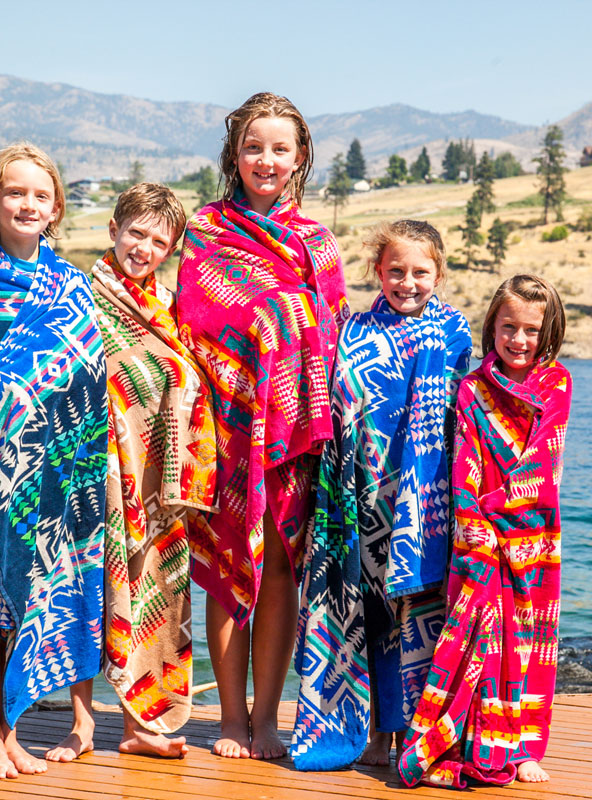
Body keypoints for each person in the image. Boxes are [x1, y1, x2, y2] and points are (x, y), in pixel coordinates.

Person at [176, 92, 349, 759]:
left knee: (279, 569)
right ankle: (227, 717)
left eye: (280, 148)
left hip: (295, 435)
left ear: (300, 157)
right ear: (234, 155)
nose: (266, 160)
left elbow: (331, 336)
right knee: (226, 569)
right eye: (254, 147)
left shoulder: (316, 243)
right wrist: (272, 320)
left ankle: (268, 717)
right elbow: (197, 314)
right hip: (223, 428)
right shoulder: (209, 231)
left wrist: (285, 322)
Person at [0, 142, 108, 780]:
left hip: (57, 470)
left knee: (37, 595)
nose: (28, 203)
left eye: (41, 195)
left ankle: (12, 728)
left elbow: (88, 377)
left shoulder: (72, 284)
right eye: (15, 192)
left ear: (57, 208)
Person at [45, 183, 217, 763]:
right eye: (135, 232)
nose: (143, 247)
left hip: (158, 487)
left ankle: (140, 723)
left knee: (150, 597)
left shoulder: (170, 308)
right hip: (93, 472)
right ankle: (81, 724)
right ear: (114, 228)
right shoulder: (81, 297)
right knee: (90, 593)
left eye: (158, 239)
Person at [292, 221, 473, 771]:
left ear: (439, 274)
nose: (407, 282)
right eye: (396, 271)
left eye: (421, 272)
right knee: (370, 619)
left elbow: (469, 420)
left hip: (427, 502)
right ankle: (373, 732)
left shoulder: (455, 334)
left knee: (420, 619)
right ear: (378, 271)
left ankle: (414, 733)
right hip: (361, 496)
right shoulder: (354, 330)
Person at [398, 274, 571, 788]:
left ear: (550, 332)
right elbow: (464, 460)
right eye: (508, 326)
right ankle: (462, 743)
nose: (519, 340)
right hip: (478, 539)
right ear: (491, 326)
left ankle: (523, 750)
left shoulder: (557, 384)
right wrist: (471, 522)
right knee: (476, 644)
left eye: (531, 330)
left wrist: (496, 512)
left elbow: (541, 462)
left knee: (530, 644)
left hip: (534, 537)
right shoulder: (471, 389)